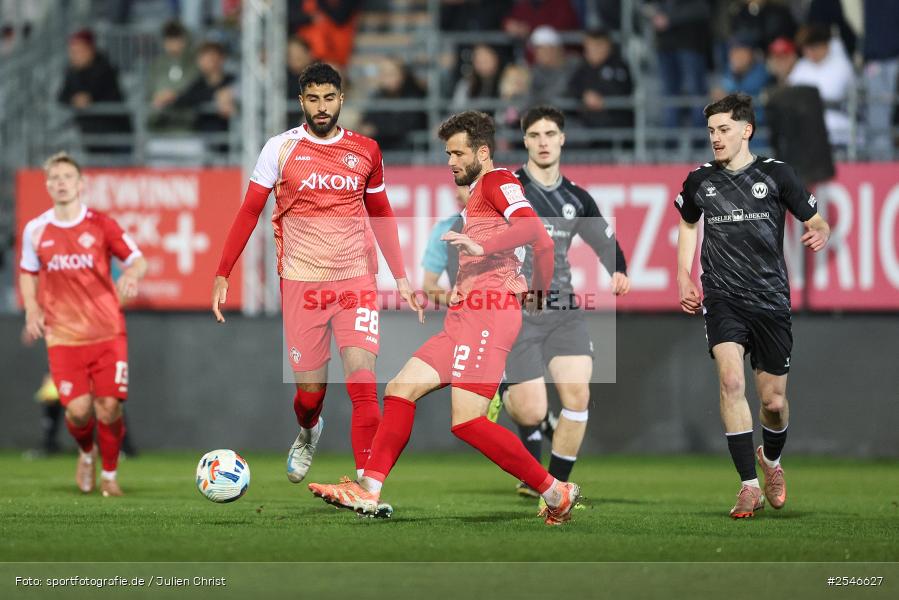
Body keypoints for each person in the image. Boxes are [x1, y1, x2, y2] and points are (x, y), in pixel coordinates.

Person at [308, 111, 582, 527]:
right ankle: (369, 490)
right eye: (447, 154)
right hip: (465, 315)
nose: (450, 162)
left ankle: (555, 492)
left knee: (468, 421)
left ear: (483, 152)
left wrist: (527, 284)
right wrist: (530, 289)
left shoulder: (498, 180)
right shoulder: (479, 192)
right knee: (400, 388)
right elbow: (535, 249)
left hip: (488, 313)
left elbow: (536, 234)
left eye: (458, 153)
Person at [212, 63, 422, 511]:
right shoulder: (280, 149)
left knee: (364, 383)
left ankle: (368, 489)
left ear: (341, 99)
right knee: (310, 398)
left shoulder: (366, 150)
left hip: (355, 280)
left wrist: (400, 275)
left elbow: (382, 214)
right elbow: (249, 211)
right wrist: (223, 271)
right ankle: (309, 432)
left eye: (329, 98)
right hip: (302, 284)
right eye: (313, 99)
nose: (321, 107)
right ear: (301, 100)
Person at [674, 93, 830, 518]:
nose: (716, 138)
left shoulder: (777, 174)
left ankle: (772, 463)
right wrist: (684, 274)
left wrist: (821, 231)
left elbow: (815, 217)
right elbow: (688, 225)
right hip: (723, 297)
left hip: (770, 299)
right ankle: (747, 486)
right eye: (711, 131)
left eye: (724, 129)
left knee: (774, 403)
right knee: (730, 382)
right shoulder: (699, 180)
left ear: (747, 130)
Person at [499, 106, 629, 499]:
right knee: (532, 412)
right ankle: (507, 391)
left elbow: (606, 242)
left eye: (550, 134)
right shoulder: (507, 189)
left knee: (578, 396)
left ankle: (554, 488)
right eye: (535, 135)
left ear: (562, 139)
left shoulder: (576, 198)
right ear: (524, 140)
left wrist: (618, 270)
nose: (543, 142)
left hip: (562, 309)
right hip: (518, 312)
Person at [19, 152, 147, 496]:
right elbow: (28, 273)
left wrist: (132, 275)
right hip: (63, 336)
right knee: (78, 412)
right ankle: (86, 452)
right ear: (48, 185)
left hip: (107, 332)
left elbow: (136, 259)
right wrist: (32, 310)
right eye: (54, 178)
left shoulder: (101, 225)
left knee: (109, 407)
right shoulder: (36, 229)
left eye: (66, 177)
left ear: (80, 184)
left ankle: (109, 476)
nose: (60, 183)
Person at [57, 29, 132, 156]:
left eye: (79, 51)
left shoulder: (105, 68)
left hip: (115, 136)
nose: (75, 55)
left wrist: (90, 99)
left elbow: (109, 95)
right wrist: (74, 100)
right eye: (73, 52)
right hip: (91, 138)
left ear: (90, 50)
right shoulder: (71, 72)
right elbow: (62, 96)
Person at [146, 20, 198, 133]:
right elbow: (148, 93)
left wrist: (174, 95)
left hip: (190, 129)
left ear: (185, 39)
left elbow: (196, 90)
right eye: (169, 38)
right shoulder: (156, 65)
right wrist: (158, 99)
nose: (173, 42)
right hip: (160, 129)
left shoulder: (195, 64)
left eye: (177, 37)